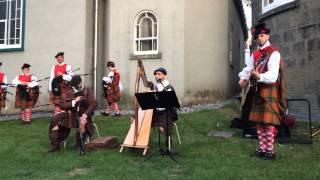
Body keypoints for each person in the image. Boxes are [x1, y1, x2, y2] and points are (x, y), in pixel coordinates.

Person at [238, 23, 286, 160]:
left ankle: (270, 151)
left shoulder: (274, 53)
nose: (259, 38)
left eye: (262, 35)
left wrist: (260, 76)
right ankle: (262, 148)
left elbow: (273, 75)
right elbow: (248, 69)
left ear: (267, 36)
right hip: (257, 90)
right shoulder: (255, 53)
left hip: (269, 90)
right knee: (259, 122)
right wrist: (242, 78)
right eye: (257, 36)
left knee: (268, 122)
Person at [48, 75, 97, 153]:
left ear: (81, 82)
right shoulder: (69, 91)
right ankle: (55, 145)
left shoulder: (87, 90)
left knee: (82, 121)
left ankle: (79, 144)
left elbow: (93, 104)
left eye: (77, 84)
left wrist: (85, 114)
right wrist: (74, 101)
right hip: (71, 116)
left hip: (84, 115)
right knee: (55, 120)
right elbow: (62, 105)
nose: (76, 87)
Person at [152, 67, 178, 135]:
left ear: (164, 75)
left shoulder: (168, 87)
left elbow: (169, 104)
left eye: (159, 74)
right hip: (157, 112)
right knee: (136, 118)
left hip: (167, 112)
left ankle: (168, 142)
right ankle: (143, 142)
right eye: (155, 74)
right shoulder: (156, 86)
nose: (156, 76)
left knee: (162, 128)